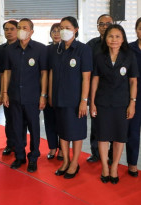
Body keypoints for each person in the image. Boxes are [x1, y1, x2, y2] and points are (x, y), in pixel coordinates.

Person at [90, 24, 138, 184]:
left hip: (122, 103)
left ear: (123, 38)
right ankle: (105, 166)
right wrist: (92, 103)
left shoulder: (129, 56)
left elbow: (133, 82)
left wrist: (132, 103)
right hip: (102, 102)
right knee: (102, 136)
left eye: (118, 36)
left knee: (119, 137)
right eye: (111, 36)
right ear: (106, 38)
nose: (114, 39)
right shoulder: (98, 56)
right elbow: (95, 80)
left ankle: (114, 166)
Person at [2, 18, 47, 173]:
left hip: (33, 97)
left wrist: (43, 95)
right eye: (19, 27)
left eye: (25, 27)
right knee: (17, 127)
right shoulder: (9, 50)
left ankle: (33, 157)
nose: (21, 29)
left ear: (31, 31)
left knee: (34, 128)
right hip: (14, 95)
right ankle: (20, 156)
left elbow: (44, 74)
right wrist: (5, 93)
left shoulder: (40, 49)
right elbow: (6, 72)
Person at [49, 16, 92, 179]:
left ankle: (75, 162)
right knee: (63, 132)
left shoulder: (83, 49)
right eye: (61, 27)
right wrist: (51, 95)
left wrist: (84, 101)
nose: (63, 30)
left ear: (76, 29)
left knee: (76, 132)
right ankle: (65, 160)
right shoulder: (56, 49)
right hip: (59, 98)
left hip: (75, 100)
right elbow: (52, 73)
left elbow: (86, 78)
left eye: (67, 27)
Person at [86, 14, 114, 163]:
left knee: (112, 123)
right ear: (97, 27)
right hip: (96, 90)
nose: (104, 26)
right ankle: (96, 153)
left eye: (107, 23)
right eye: (101, 24)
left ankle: (110, 154)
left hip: (115, 90)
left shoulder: (120, 43)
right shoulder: (91, 45)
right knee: (96, 122)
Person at [0, 19, 18, 156]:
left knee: (20, 120)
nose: (9, 32)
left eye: (12, 29)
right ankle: (10, 144)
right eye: (6, 29)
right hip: (5, 90)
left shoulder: (21, 47)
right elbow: (0, 73)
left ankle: (20, 144)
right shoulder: (0, 50)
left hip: (20, 90)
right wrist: (1, 92)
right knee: (9, 119)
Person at [43, 23, 63, 160]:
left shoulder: (68, 49)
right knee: (49, 120)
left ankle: (62, 149)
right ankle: (52, 147)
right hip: (48, 90)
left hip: (63, 91)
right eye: (53, 31)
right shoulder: (46, 50)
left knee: (62, 122)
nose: (56, 33)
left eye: (59, 31)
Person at [127, 17, 141, 177]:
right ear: (136, 30)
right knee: (133, 132)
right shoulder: (129, 49)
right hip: (134, 96)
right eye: (140, 28)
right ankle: (132, 164)